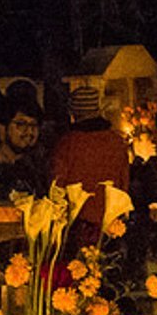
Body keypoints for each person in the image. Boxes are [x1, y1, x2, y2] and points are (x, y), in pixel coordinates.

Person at [49, 80, 132, 239]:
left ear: (73, 113)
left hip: (76, 224)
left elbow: (57, 184)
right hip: (110, 220)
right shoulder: (116, 141)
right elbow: (123, 181)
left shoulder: (67, 143)